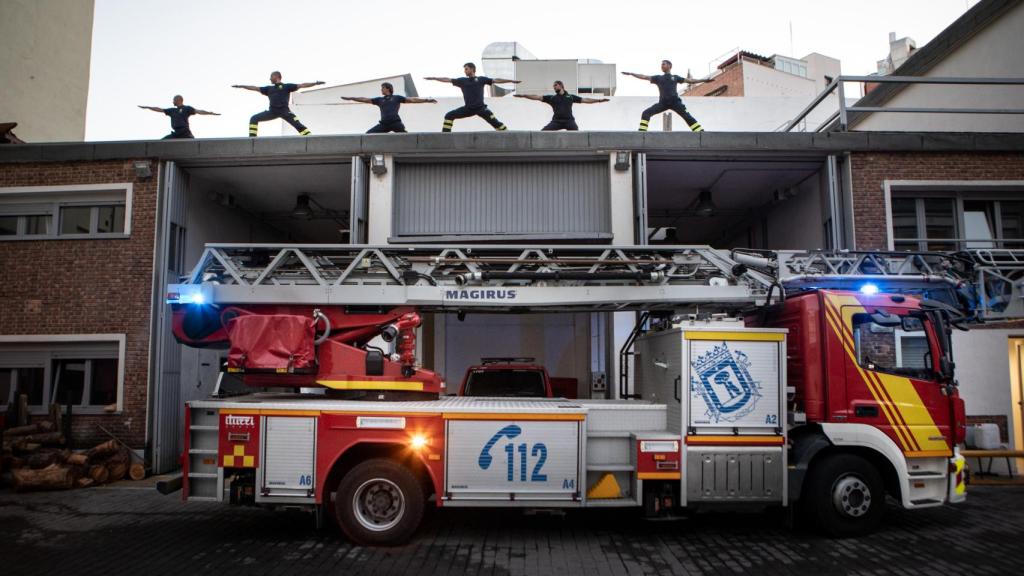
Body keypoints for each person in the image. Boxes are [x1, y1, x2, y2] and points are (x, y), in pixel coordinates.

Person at [425, 63, 519, 132]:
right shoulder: (462, 81)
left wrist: (511, 81)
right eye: (464, 69)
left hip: (481, 108)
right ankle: (445, 136)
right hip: (468, 109)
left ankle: (508, 134)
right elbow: (448, 79)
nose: (464, 71)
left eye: (466, 69)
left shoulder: (482, 79)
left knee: (497, 124)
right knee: (449, 115)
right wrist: (434, 78)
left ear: (472, 69)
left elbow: (496, 80)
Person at [621, 60, 711, 132]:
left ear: (669, 66)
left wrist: (703, 80)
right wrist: (632, 74)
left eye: (663, 64)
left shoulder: (675, 77)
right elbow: (644, 76)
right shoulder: (658, 78)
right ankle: (642, 132)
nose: (662, 66)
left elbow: (690, 81)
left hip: (675, 102)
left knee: (687, 116)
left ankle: (699, 131)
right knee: (646, 113)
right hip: (663, 103)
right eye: (661, 65)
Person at [232, 71, 324, 137]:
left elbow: (302, 85)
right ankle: (252, 139)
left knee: (299, 125)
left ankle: (310, 138)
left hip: (285, 112)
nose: (269, 78)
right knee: (253, 118)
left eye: (271, 76)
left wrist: (315, 83)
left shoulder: (287, 86)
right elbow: (255, 88)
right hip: (272, 112)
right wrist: (242, 86)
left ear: (277, 76)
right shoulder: (268, 89)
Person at [341, 82, 437, 133]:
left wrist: (426, 100)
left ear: (388, 89)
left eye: (382, 87)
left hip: (396, 123)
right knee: (369, 134)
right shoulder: (379, 100)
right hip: (384, 124)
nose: (381, 89)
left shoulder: (397, 98)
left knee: (405, 137)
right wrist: (351, 98)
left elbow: (412, 100)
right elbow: (365, 99)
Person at [513, 81, 608, 131]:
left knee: (577, 134)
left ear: (561, 86)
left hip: (569, 121)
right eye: (553, 86)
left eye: (556, 85)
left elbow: (585, 100)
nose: (554, 87)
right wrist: (524, 95)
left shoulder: (570, 97)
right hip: (556, 121)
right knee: (542, 133)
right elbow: (537, 97)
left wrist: (599, 100)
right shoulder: (552, 98)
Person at [138, 95, 219, 139]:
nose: (172, 101)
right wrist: (148, 107)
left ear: (178, 100)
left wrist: (209, 113)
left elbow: (198, 111)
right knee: (162, 142)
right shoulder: (172, 110)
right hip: (176, 133)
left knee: (191, 143)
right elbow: (160, 109)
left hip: (185, 132)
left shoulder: (187, 108)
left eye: (174, 100)